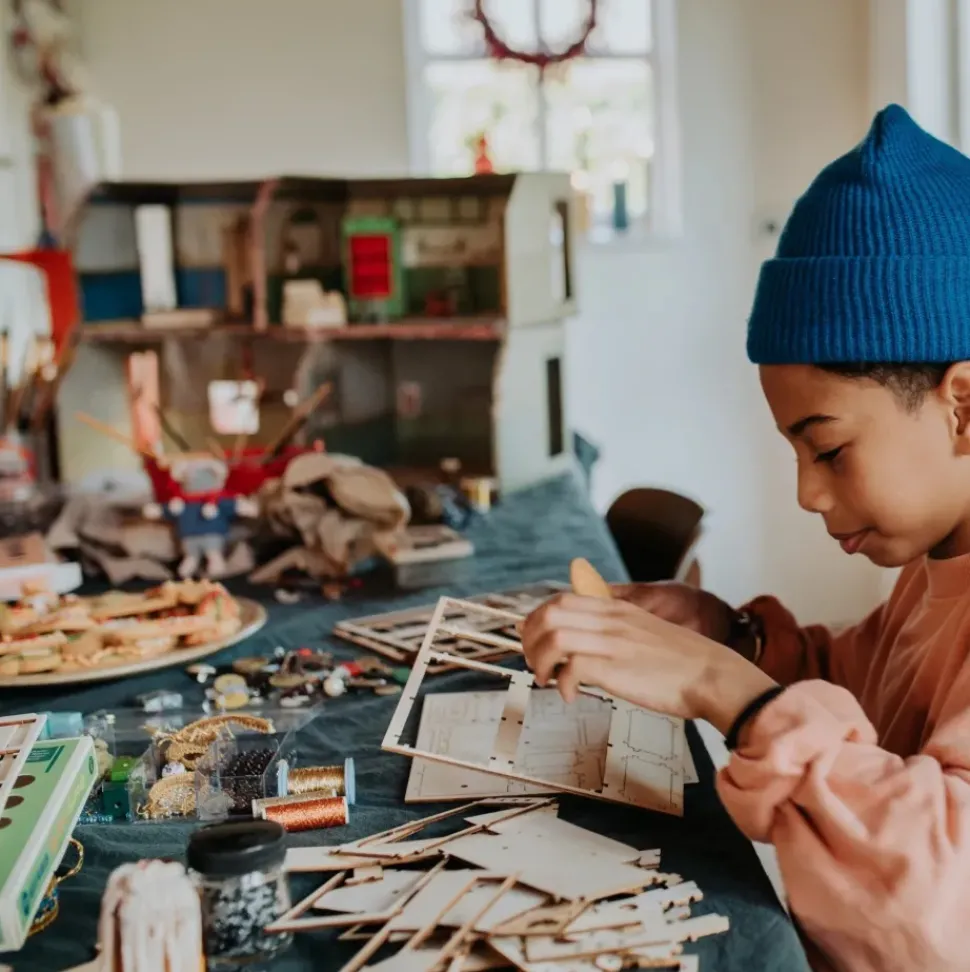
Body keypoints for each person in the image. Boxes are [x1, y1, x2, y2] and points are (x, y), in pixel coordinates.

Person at [522, 104, 970, 972]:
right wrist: (735, 637)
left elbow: (940, 912)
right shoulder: (939, 561)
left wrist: (725, 687)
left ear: (963, 404)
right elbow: (871, 690)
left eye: (830, 449)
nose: (807, 492)